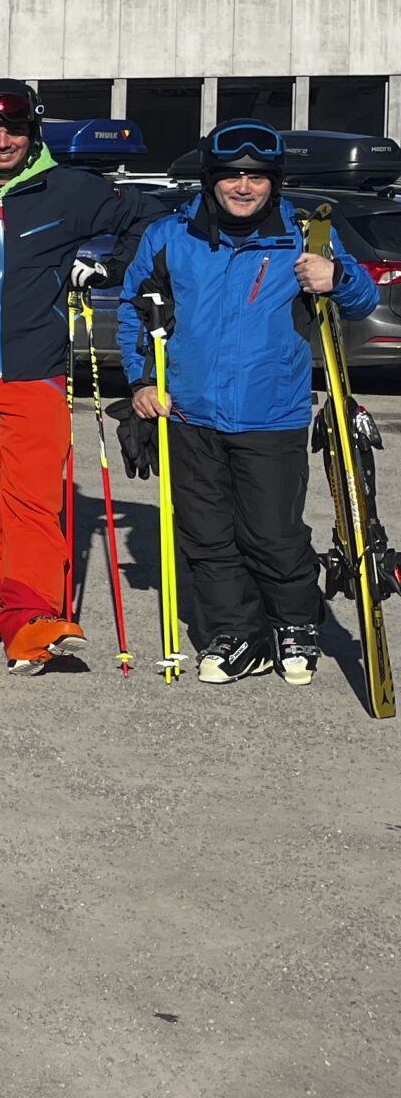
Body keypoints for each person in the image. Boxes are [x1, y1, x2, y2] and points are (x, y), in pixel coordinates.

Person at [119, 123, 376, 685]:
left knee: (272, 533)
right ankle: (237, 634)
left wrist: (338, 278)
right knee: (206, 535)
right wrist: (140, 382)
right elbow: (137, 312)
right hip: (187, 412)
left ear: (273, 183)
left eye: (256, 176)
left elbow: (364, 300)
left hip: (271, 414)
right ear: (211, 180)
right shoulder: (170, 236)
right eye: (232, 175)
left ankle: (294, 625)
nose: (243, 186)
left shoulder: (304, 237)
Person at [0, 79, 152, 672]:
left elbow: (149, 219)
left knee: (32, 499)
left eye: (15, 129)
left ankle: (29, 618)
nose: (3, 140)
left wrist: (105, 263)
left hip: (38, 371)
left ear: (34, 131)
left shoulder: (73, 190)